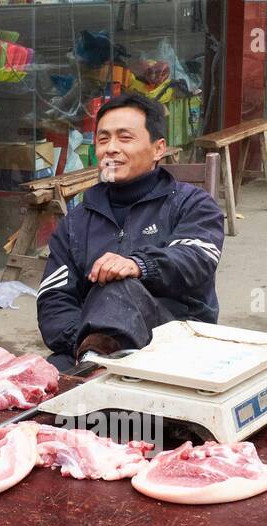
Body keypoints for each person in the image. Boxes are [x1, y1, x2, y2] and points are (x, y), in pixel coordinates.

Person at [36, 91, 225, 371]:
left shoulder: (192, 205)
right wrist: (87, 341)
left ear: (158, 148)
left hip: (177, 347)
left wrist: (139, 265)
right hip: (85, 349)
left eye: (125, 138)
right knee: (29, 388)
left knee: (118, 287)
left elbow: (196, 259)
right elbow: (53, 299)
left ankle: (97, 364)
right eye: (103, 139)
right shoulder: (76, 222)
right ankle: (97, 359)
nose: (111, 148)